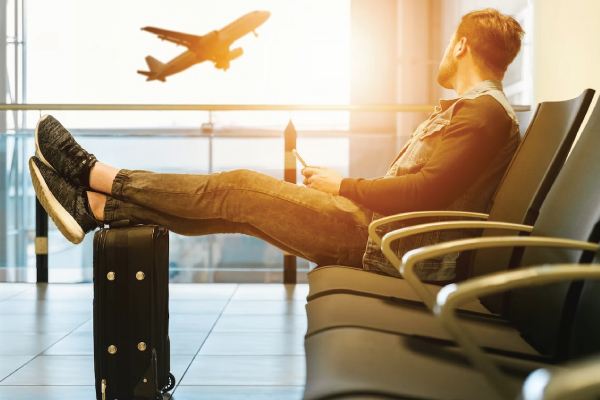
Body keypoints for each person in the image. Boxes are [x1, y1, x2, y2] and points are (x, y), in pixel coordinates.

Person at [29, 8, 524, 282]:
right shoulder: (478, 112)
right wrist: (345, 188)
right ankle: (96, 207)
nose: (442, 54)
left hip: (382, 245)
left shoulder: (482, 113)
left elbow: (427, 193)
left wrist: (345, 185)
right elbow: (426, 190)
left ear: (460, 45)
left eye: (446, 45)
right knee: (240, 211)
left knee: (238, 188)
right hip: (380, 235)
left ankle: (93, 174)